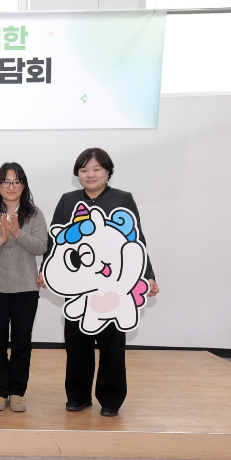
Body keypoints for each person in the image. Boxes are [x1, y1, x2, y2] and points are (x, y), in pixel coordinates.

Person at [38, 148, 159, 417]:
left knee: (112, 346)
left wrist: (147, 275)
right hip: (79, 286)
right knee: (76, 344)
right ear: (77, 174)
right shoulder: (68, 201)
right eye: (84, 170)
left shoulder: (122, 199)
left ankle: (111, 399)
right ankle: (78, 396)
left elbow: (137, 240)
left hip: (114, 286)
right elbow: (55, 242)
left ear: (107, 172)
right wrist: (46, 271)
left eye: (96, 169)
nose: (90, 175)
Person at [0, 162, 47, 412]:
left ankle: (17, 392)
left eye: (16, 182)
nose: (11, 186)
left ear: (23, 185)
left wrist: (17, 233)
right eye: (6, 182)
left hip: (26, 287)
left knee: (21, 343)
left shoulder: (34, 214)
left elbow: (41, 246)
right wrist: (0, 239)